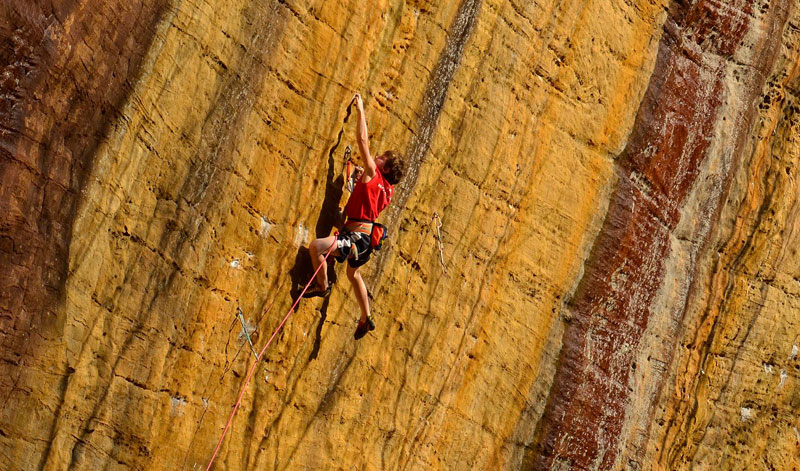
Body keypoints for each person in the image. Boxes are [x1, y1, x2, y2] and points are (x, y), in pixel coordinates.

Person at [304, 92, 407, 339]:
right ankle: (365, 317)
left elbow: (362, 141)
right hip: (364, 236)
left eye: (380, 158)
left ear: (386, 167)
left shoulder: (374, 172)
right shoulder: (388, 190)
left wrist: (361, 110)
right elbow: (365, 200)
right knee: (353, 273)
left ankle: (322, 286)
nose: (376, 157)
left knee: (316, 247)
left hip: (355, 237)